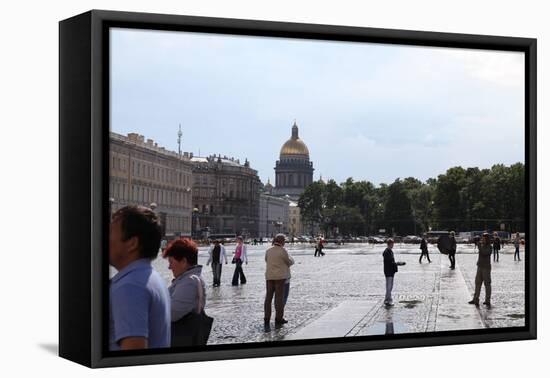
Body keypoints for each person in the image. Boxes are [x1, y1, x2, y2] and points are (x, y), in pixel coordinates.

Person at [109, 205, 170, 351]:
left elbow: (133, 356)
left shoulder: (130, 287)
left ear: (132, 243)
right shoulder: (150, 277)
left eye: (110, 232)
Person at [162, 238, 209, 347]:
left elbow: (172, 313)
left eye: (171, 262)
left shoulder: (189, 281)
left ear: (183, 262)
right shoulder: (186, 279)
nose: (169, 267)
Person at [264, 234, 294, 331]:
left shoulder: (268, 251)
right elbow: (289, 262)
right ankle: (278, 318)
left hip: (269, 277)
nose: (285, 242)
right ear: (281, 241)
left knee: (268, 297)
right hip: (280, 277)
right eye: (284, 241)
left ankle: (266, 318)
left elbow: (266, 260)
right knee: (279, 298)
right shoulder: (283, 251)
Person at [468, 232, 492, 308]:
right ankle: (475, 299)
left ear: (487, 239)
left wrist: (479, 247)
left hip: (486, 268)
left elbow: (485, 253)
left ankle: (487, 300)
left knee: (487, 284)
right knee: (477, 283)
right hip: (480, 266)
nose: (483, 240)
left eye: (484, 239)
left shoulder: (489, 247)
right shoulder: (481, 245)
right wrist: (479, 245)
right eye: (482, 238)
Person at [383, 238, 398, 306]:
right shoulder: (387, 252)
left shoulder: (390, 251)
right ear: (389, 244)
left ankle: (387, 299)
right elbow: (389, 262)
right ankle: (388, 300)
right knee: (389, 286)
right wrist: (396, 263)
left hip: (391, 271)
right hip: (388, 271)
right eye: (392, 244)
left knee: (390, 286)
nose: (393, 245)